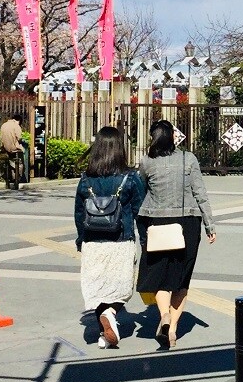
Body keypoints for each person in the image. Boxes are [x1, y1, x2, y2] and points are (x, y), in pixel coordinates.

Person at [137, 120, 217, 348]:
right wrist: (209, 225)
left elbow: (141, 190)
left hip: (158, 223)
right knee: (181, 280)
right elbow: (200, 193)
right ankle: (172, 330)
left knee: (161, 274)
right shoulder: (188, 159)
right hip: (187, 224)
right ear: (173, 136)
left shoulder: (147, 161)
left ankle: (164, 315)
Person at [73, 126, 147, 349]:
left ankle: (105, 328)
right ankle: (110, 313)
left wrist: (80, 239)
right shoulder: (130, 178)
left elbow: (78, 213)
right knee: (120, 288)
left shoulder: (86, 180)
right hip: (121, 240)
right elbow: (140, 212)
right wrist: (144, 240)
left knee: (95, 288)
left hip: (93, 240)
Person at [0, 115, 25, 186]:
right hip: (15, 148)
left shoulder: (3, 125)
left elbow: (1, 138)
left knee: (12, 162)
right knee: (20, 163)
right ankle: (18, 179)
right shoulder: (16, 126)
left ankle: (14, 178)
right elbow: (19, 137)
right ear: (19, 120)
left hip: (6, 148)